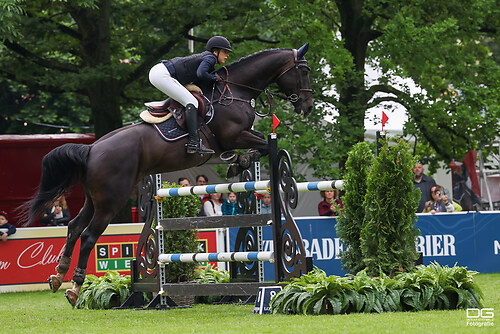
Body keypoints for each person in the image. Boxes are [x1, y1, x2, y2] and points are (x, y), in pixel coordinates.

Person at [149, 36, 232, 155]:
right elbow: (201, 73)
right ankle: (194, 143)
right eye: (225, 52)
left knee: (189, 99)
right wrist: (215, 78)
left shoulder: (207, 58)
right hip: (162, 74)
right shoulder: (210, 58)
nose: (227, 55)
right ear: (215, 51)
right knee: (192, 102)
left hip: (160, 72)